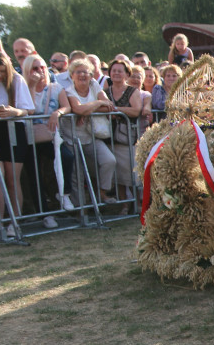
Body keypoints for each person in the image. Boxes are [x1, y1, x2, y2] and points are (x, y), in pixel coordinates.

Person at [23, 54, 75, 225]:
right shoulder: (23, 87)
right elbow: (28, 110)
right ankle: (44, 213)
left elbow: (66, 106)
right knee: (34, 172)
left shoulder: (56, 87)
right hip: (29, 138)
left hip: (50, 135)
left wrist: (57, 113)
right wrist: (31, 86)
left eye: (43, 67)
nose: (40, 71)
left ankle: (64, 194)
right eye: (35, 68)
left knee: (67, 157)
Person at [0, 52, 34, 239]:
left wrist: (14, 111)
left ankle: (15, 222)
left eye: (1, 71)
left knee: (13, 180)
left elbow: (29, 109)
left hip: (14, 132)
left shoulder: (17, 80)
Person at [65, 58, 117, 204]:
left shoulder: (94, 85)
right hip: (73, 137)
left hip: (92, 135)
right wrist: (96, 104)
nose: (82, 75)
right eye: (78, 72)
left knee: (109, 160)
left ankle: (102, 194)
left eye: (85, 72)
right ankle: (80, 207)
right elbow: (78, 109)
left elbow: (109, 106)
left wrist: (89, 109)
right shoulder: (69, 91)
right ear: (72, 75)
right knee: (77, 173)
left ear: (91, 74)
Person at [105, 59, 142, 206]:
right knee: (118, 175)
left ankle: (138, 204)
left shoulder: (132, 91)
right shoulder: (105, 92)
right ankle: (125, 205)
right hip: (110, 137)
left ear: (127, 74)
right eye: (113, 70)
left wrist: (116, 110)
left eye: (120, 71)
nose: (116, 73)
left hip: (128, 138)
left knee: (132, 173)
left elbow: (136, 110)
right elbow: (99, 108)